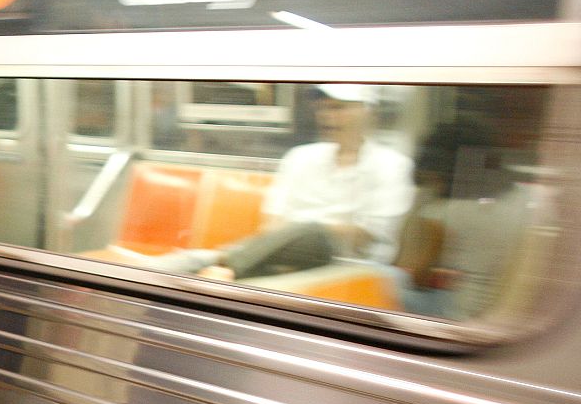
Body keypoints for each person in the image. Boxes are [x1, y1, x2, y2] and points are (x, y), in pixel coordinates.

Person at [148, 84, 414, 280]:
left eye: (339, 108)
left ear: (367, 112)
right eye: (322, 109)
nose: (327, 116)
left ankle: (219, 260)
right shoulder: (300, 158)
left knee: (312, 231)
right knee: (296, 242)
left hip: (351, 261)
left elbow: (366, 235)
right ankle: (225, 266)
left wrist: (311, 229)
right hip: (283, 252)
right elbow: (273, 224)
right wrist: (287, 242)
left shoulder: (391, 165)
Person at [394, 119, 534, 319]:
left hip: (452, 313)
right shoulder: (523, 198)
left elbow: (416, 276)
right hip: (493, 311)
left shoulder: (442, 213)